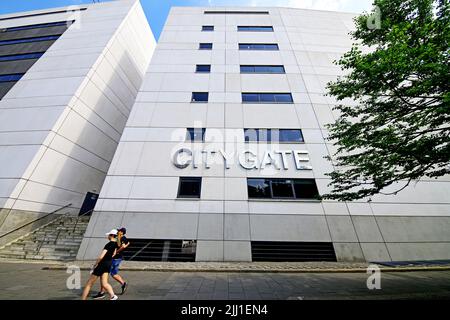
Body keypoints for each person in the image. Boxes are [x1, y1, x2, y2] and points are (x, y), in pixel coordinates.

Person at [81, 229, 119, 300]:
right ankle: (113, 296)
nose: (108, 236)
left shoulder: (108, 244)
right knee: (104, 283)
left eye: (109, 235)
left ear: (112, 235)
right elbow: (114, 254)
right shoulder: (116, 244)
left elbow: (101, 257)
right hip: (109, 263)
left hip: (102, 264)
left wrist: (95, 265)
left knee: (89, 284)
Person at [93, 227, 130, 299]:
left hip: (115, 258)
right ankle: (103, 291)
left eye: (119, 231)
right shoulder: (122, 238)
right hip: (117, 258)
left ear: (121, 232)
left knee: (107, 273)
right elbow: (127, 243)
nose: (118, 232)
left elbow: (121, 246)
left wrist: (116, 252)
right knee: (111, 273)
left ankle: (103, 292)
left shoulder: (120, 238)